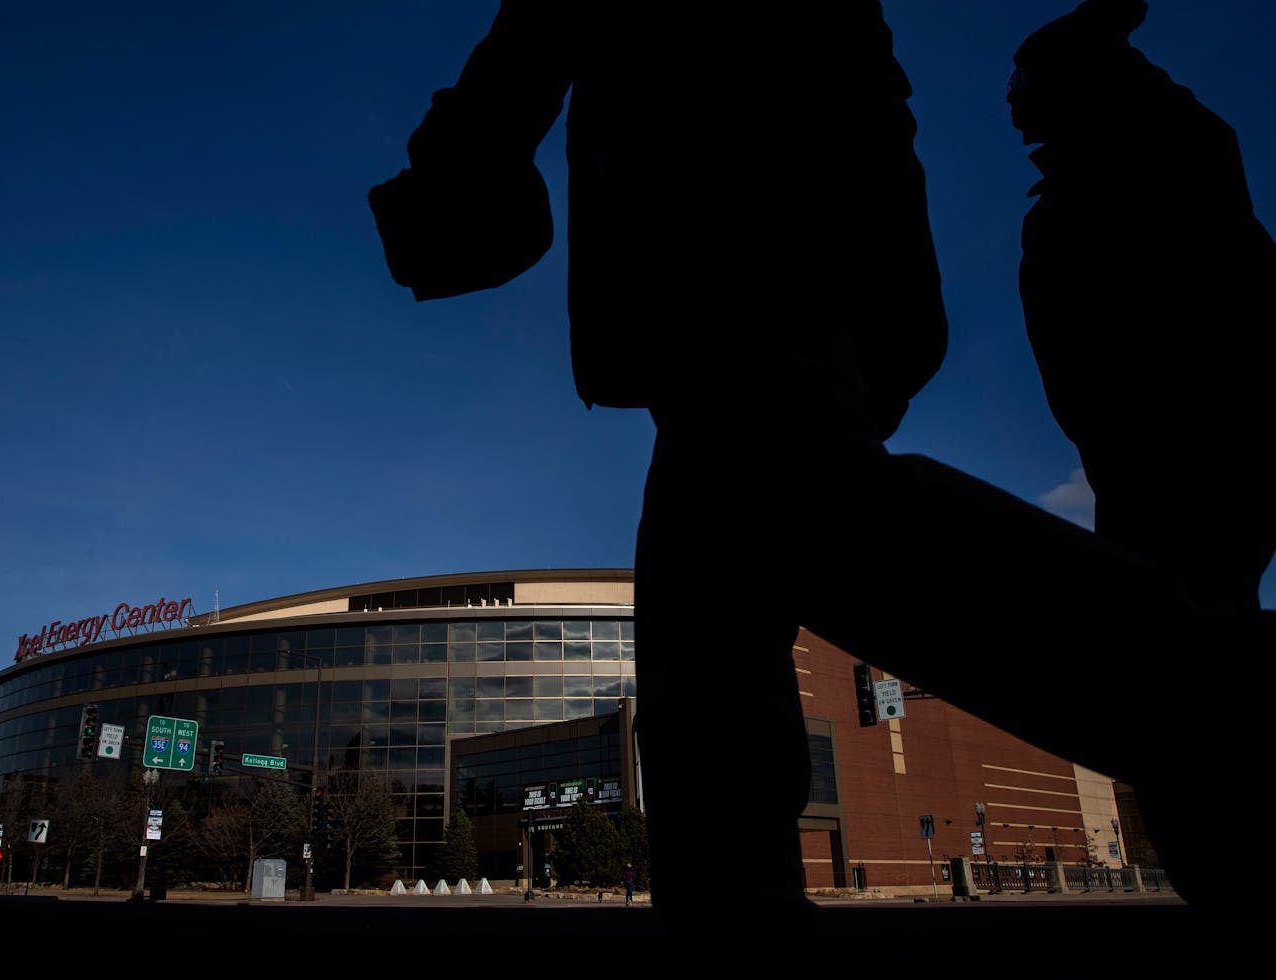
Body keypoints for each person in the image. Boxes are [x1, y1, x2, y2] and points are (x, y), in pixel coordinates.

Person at [370, 0, 1263, 945]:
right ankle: (730, 917)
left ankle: (1227, 693)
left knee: (794, 524)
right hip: (792, 266)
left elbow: (533, 47)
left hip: (732, 253)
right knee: (708, 584)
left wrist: (453, 165)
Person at [1010, 0, 1276, 618]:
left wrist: (1095, 29)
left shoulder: (1167, 166)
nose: (1011, 98)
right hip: (1139, 465)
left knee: (1184, 609)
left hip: (1185, 460)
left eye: (1021, 79)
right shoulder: (1067, 205)